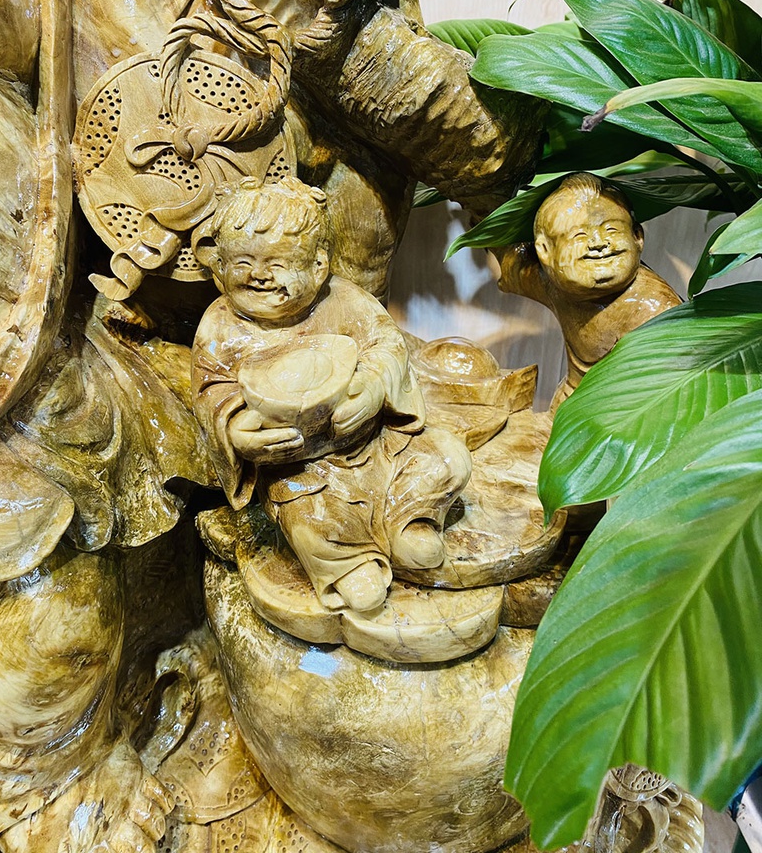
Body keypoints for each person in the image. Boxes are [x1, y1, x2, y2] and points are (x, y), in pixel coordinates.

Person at [192, 175, 471, 613]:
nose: (259, 275)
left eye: (278, 263)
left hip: (377, 444)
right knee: (306, 520)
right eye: (243, 261)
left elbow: (388, 345)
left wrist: (373, 388)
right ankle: (348, 564)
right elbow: (212, 391)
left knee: (449, 458)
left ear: (318, 265)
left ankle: (410, 519)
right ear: (219, 265)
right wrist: (237, 433)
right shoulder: (221, 327)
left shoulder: (343, 301)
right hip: (300, 466)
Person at [498, 173, 681, 408]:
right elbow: (511, 259)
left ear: (637, 237)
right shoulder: (556, 285)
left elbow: (664, 402)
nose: (598, 243)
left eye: (611, 230)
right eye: (580, 235)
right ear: (544, 250)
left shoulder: (654, 311)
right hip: (570, 411)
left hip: (625, 418)